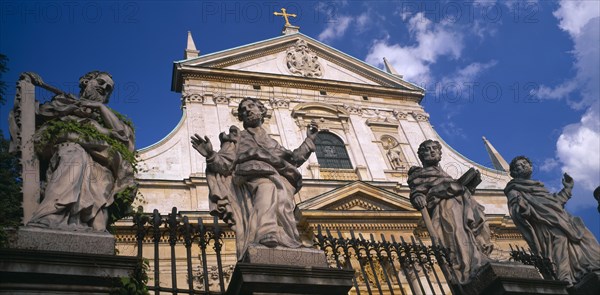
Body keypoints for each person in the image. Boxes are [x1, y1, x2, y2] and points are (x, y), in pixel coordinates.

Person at [191, 97, 318, 259]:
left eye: (251, 106)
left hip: (277, 176)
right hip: (249, 176)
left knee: (283, 199)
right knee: (267, 186)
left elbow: (293, 159)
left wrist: (309, 141)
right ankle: (267, 231)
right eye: (243, 110)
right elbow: (225, 164)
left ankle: (285, 238)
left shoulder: (270, 142)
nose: (247, 111)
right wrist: (210, 154)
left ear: (261, 111)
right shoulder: (237, 137)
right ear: (241, 118)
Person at [22, 71, 135, 231]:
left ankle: (84, 221)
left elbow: (123, 136)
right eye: (101, 82)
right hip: (66, 148)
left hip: (101, 161)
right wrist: (28, 82)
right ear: (85, 82)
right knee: (75, 155)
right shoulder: (63, 101)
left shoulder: (106, 115)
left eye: (108, 88)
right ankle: (52, 214)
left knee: (101, 175)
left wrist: (100, 107)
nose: (104, 88)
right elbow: (43, 124)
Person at [408, 140, 492, 284]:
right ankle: (466, 268)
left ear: (440, 154)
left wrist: (467, 187)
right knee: (456, 235)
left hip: (463, 207)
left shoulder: (443, 173)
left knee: (470, 235)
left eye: (435, 148)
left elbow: (450, 188)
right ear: (421, 156)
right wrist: (418, 197)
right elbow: (418, 192)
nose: (432, 151)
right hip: (446, 209)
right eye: (427, 150)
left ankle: (477, 260)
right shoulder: (419, 174)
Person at [505, 156, 600, 285]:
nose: (523, 166)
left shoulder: (538, 187)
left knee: (586, 238)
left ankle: (588, 267)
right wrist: (523, 208)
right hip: (545, 223)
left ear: (531, 167)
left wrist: (567, 188)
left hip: (563, 220)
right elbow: (516, 212)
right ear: (514, 172)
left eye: (525, 163)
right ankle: (564, 278)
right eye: (518, 166)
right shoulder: (514, 189)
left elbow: (555, 203)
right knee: (559, 243)